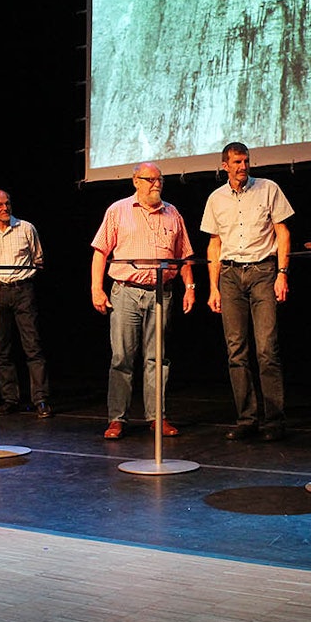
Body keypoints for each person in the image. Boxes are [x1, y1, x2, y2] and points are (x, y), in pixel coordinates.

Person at [90, 162, 196, 440]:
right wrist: (96, 289)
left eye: (160, 179)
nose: (156, 184)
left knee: (158, 358)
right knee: (122, 357)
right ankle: (117, 419)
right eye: (150, 179)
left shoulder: (173, 213)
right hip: (126, 291)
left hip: (162, 293)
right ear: (135, 181)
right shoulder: (118, 210)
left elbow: (183, 256)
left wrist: (190, 286)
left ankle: (157, 417)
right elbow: (100, 251)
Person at [201, 142, 294, 441]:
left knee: (267, 348)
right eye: (237, 162)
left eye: (246, 161)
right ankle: (247, 419)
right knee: (236, 351)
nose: (243, 167)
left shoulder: (268, 188)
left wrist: (282, 274)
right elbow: (214, 244)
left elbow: (283, 232)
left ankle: (275, 421)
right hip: (229, 275)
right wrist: (212, 287)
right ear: (225, 165)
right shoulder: (215, 198)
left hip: (263, 271)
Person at [0, 189, 51, 418]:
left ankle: (41, 399)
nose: (4, 208)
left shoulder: (26, 228)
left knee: (33, 345)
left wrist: (24, 280)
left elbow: (38, 259)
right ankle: (10, 398)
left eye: (7, 204)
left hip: (23, 290)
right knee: (1, 349)